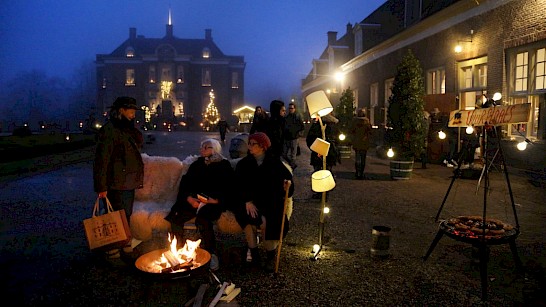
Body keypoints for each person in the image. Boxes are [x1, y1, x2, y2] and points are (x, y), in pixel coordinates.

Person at [164, 139, 234, 271]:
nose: (203, 150)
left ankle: (211, 253)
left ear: (215, 149)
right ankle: (179, 251)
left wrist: (214, 201)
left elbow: (229, 188)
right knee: (176, 217)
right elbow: (186, 184)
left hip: (212, 203)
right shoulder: (197, 164)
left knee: (203, 220)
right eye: (202, 147)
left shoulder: (224, 165)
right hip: (195, 201)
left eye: (207, 147)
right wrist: (189, 198)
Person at [232, 132, 294, 272]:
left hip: (270, 202)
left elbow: (288, 183)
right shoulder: (244, 164)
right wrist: (247, 201)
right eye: (249, 143)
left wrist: (286, 186)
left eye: (252, 144)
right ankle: (254, 253)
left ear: (263, 146)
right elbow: (238, 185)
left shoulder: (275, 163)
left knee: (268, 222)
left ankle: (270, 254)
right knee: (247, 219)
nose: (249, 146)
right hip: (250, 202)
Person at [93, 96, 144, 261]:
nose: (133, 114)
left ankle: (124, 243)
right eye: (131, 110)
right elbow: (102, 160)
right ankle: (112, 249)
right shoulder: (110, 130)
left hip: (127, 181)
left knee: (125, 214)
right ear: (121, 110)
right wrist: (101, 187)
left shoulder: (125, 128)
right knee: (113, 217)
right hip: (115, 181)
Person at [306, 114, 340, 198]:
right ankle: (326, 191)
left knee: (318, 171)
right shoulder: (333, 125)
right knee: (327, 170)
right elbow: (338, 138)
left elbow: (310, 138)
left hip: (318, 151)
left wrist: (315, 148)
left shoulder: (317, 125)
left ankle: (320, 192)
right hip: (330, 151)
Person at [348, 108, 372, 179]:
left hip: (357, 141)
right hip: (364, 142)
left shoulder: (355, 121)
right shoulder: (367, 122)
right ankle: (361, 173)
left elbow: (351, 130)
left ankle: (357, 173)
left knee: (357, 158)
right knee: (363, 158)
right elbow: (370, 132)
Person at [283, 102, 305, 169]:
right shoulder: (286, 117)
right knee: (284, 154)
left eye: (292, 108)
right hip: (287, 138)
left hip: (294, 138)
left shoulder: (297, 117)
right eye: (289, 108)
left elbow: (302, 126)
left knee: (293, 155)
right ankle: (291, 164)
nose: (290, 110)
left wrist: (298, 134)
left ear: (294, 109)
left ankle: (292, 167)